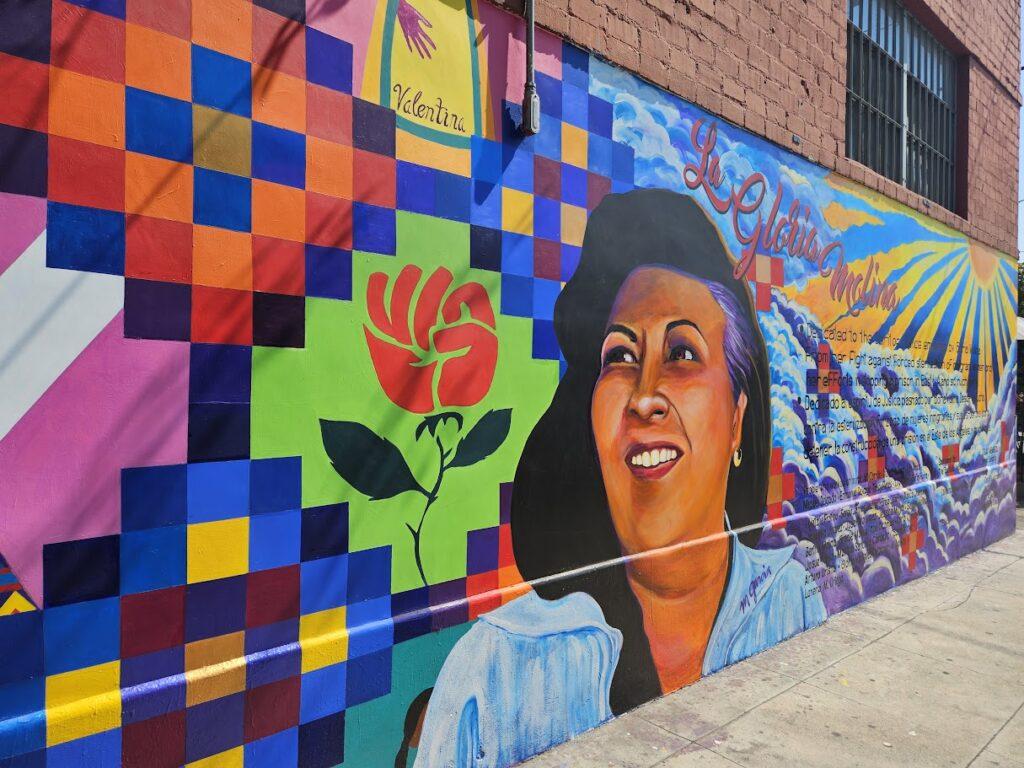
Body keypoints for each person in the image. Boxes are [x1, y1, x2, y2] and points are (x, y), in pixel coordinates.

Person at [412, 189, 827, 768]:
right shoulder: (495, 675)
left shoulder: (789, 600)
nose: (645, 396)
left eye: (682, 353)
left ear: (736, 421)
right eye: (621, 356)